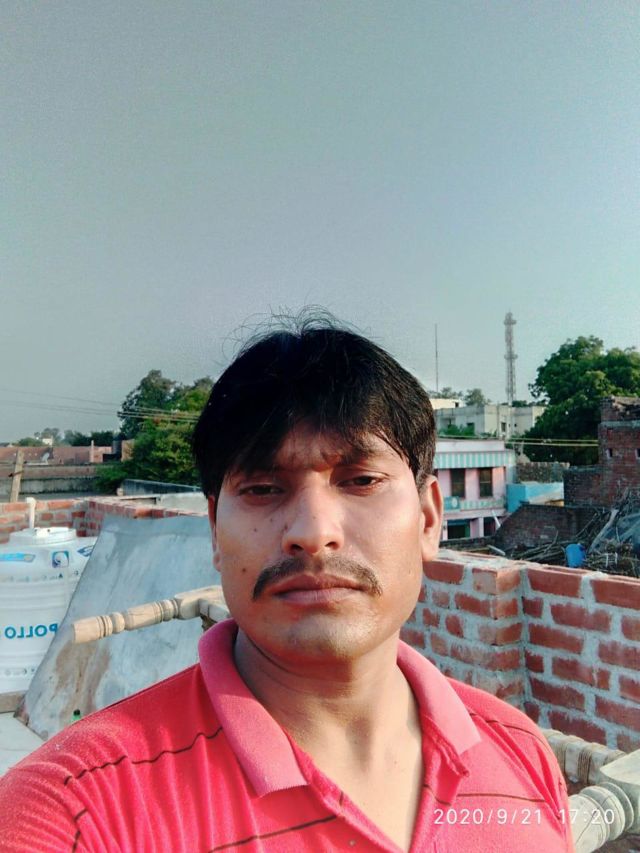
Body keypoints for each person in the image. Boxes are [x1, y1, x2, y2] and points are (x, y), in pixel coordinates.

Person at [0, 315, 571, 852]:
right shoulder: (74, 812)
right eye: (263, 489)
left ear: (428, 518)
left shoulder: (519, 752)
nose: (313, 533)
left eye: (361, 480)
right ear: (215, 531)